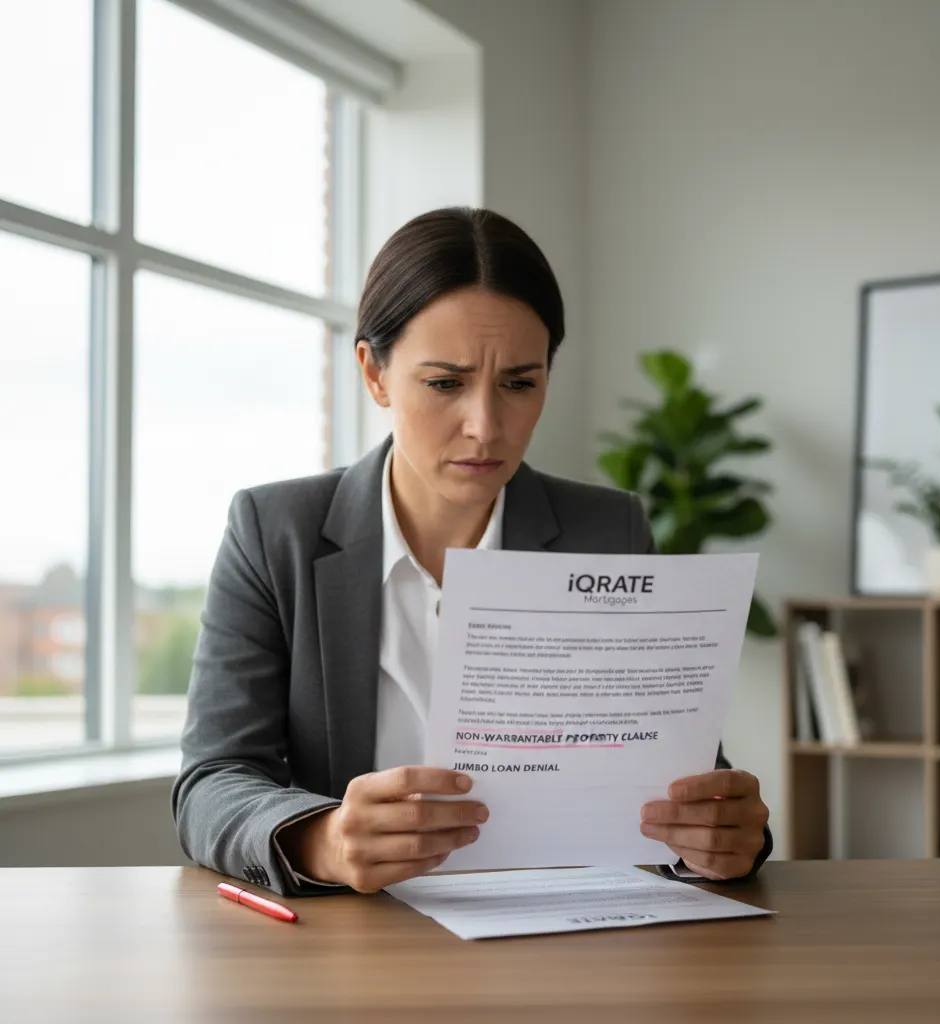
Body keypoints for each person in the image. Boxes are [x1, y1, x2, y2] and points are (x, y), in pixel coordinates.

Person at [171, 207, 772, 897]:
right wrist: (322, 838)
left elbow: (682, 783)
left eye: (519, 383)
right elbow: (210, 784)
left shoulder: (611, 533)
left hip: (557, 936)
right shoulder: (273, 529)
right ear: (373, 372)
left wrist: (719, 835)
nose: (485, 426)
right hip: (351, 945)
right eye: (445, 383)